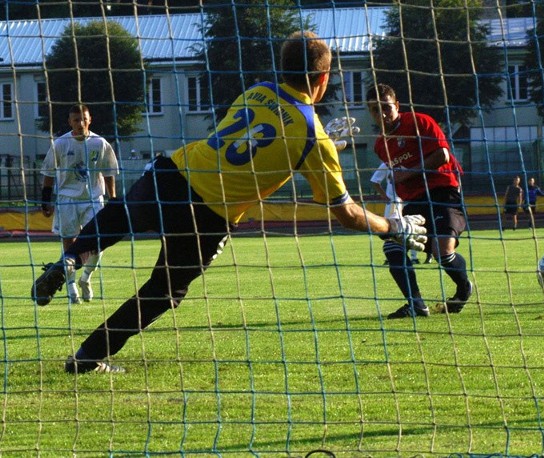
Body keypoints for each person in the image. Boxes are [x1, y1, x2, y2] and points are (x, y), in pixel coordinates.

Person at [31, 31, 427, 374]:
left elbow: (258, 138)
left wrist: (313, 150)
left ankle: (71, 258)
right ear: (322, 80)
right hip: (209, 214)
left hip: (175, 171)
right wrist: (395, 226)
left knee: (117, 217)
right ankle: (88, 355)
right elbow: (348, 214)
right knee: (162, 290)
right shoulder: (314, 138)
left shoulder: (257, 90)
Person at [366, 83, 472, 318]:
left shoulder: (418, 121)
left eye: (386, 107)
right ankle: (416, 304)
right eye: (374, 109)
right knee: (392, 246)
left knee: (441, 252)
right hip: (413, 203)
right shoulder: (379, 145)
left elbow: (442, 155)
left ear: (397, 106)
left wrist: (408, 173)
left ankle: (464, 287)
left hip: (443, 192)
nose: (381, 114)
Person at [39, 104, 119, 304]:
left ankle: (86, 278)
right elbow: (48, 173)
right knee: (70, 243)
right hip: (67, 200)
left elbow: (108, 172)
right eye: (76, 120)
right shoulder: (60, 144)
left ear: (89, 119)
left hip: (93, 198)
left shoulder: (99, 143)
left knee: (98, 241)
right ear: (70, 122)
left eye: (84, 119)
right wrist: (45, 200)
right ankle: (71, 285)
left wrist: (114, 199)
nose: (80, 123)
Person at [370, 162, 421, 264]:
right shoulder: (388, 163)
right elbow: (374, 181)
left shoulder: (413, 160)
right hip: (394, 202)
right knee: (391, 230)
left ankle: (413, 257)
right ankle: (393, 257)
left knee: (411, 228)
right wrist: (384, 196)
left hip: (409, 200)